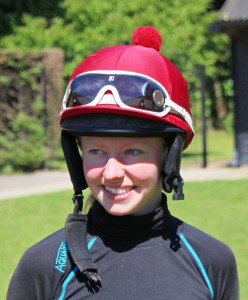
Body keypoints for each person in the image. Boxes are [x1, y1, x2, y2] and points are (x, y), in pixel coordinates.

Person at [7, 26, 239, 300]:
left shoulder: (212, 261)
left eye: (132, 151)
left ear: (169, 157)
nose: (112, 172)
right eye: (96, 152)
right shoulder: (43, 267)